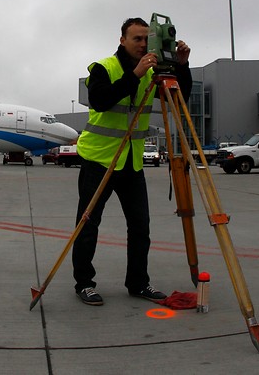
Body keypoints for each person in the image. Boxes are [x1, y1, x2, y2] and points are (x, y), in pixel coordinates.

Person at [72, 17, 192, 306]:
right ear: (122, 40)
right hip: (99, 160)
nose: (142, 44)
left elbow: (179, 100)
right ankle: (84, 283)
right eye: (136, 38)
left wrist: (182, 66)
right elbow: (99, 100)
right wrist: (135, 75)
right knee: (88, 225)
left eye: (145, 39)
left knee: (140, 226)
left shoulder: (153, 71)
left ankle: (138, 282)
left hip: (131, 163)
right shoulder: (104, 68)